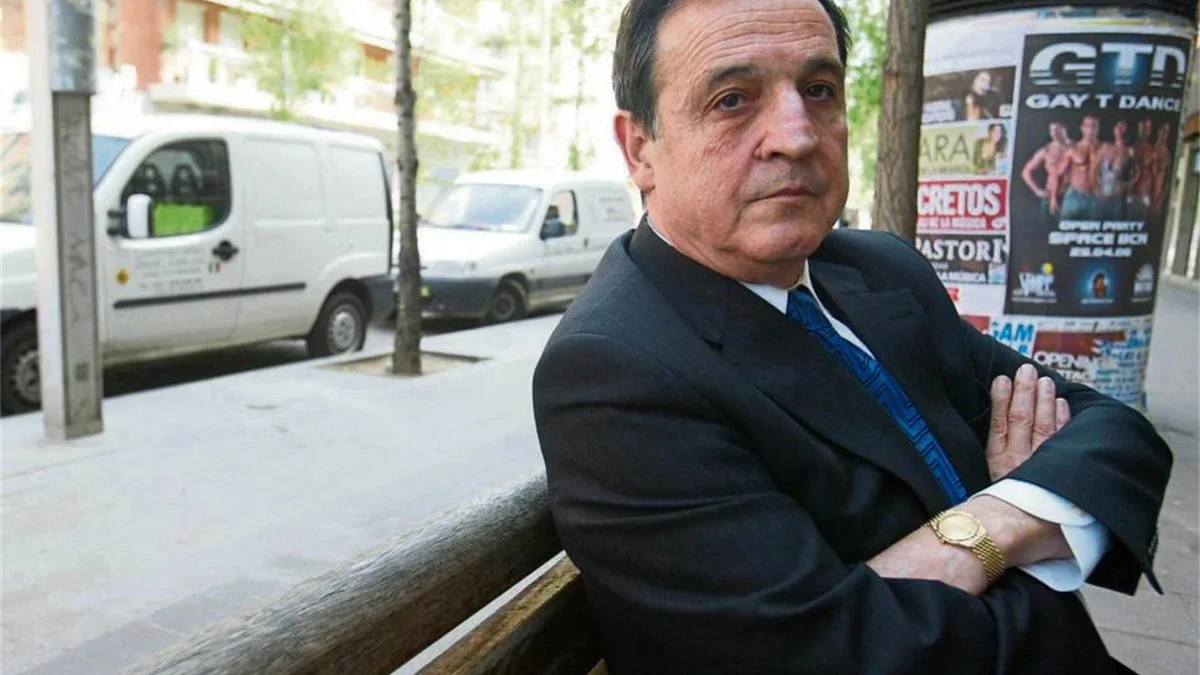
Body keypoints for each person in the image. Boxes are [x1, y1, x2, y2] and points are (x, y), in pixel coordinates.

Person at [532, 1, 1170, 673]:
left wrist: (995, 523)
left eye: (818, 90)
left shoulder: (879, 269)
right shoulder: (612, 371)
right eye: (732, 100)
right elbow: (841, 654)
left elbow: (1113, 433)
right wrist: (1036, 531)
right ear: (640, 148)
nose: (796, 136)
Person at [1050, 115, 1102, 220]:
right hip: (1075, 195)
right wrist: (1053, 198)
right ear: (1082, 128)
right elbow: (1058, 173)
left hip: (1096, 197)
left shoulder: (1104, 149)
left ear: (1098, 128)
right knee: (1066, 227)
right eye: (1087, 126)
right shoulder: (1073, 149)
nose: (1090, 130)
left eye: (1094, 126)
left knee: (1094, 228)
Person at [1021, 122, 1073, 220]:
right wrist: (1037, 190)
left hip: (1071, 195)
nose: (1054, 133)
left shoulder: (1076, 147)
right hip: (1049, 194)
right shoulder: (1046, 150)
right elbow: (1026, 171)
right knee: (1048, 225)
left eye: (1057, 129)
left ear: (1064, 129)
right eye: (1052, 130)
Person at [1091, 120, 1138, 221]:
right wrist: (1096, 189)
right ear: (1114, 129)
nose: (1119, 130)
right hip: (1102, 195)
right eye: (1118, 127)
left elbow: (1137, 172)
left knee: (1115, 223)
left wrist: (1127, 185)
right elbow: (1093, 170)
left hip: (1118, 197)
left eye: (1122, 128)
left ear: (1126, 131)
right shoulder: (1105, 147)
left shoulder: (1129, 151)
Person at [1130, 118, 1157, 220]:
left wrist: (1153, 195)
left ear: (1150, 130)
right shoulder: (1132, 147)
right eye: (1143, 127)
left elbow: (1154, 174)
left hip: (1145, 192)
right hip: (1130, 193)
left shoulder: (1152, 150)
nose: (1145, 130)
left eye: (1147, 128)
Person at [1151, 122, 1174, 218]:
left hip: (1157, 193)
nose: (1164, 134)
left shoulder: (1167, 155)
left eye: (1166, 132)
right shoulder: (1150, 149)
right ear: (1159, 131)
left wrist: (1162, 198)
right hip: (1143, 193)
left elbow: (1168, 179)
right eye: (1163, 131)